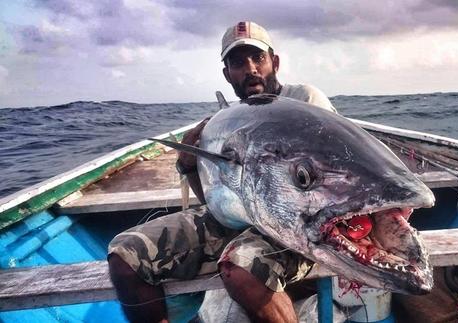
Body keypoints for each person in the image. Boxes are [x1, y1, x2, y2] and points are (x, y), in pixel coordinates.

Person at [108, 21, 337, 323]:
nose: (251, 68)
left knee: (243, 267)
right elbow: (215, 201)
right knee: (124, 256)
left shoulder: (305, 100)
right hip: (238, 219)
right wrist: (188, 164)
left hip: (298, 224)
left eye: (258, 58)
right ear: (227, 74)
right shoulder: (222, 122)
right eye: (238, 62)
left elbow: (338, 171)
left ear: (275, 62)